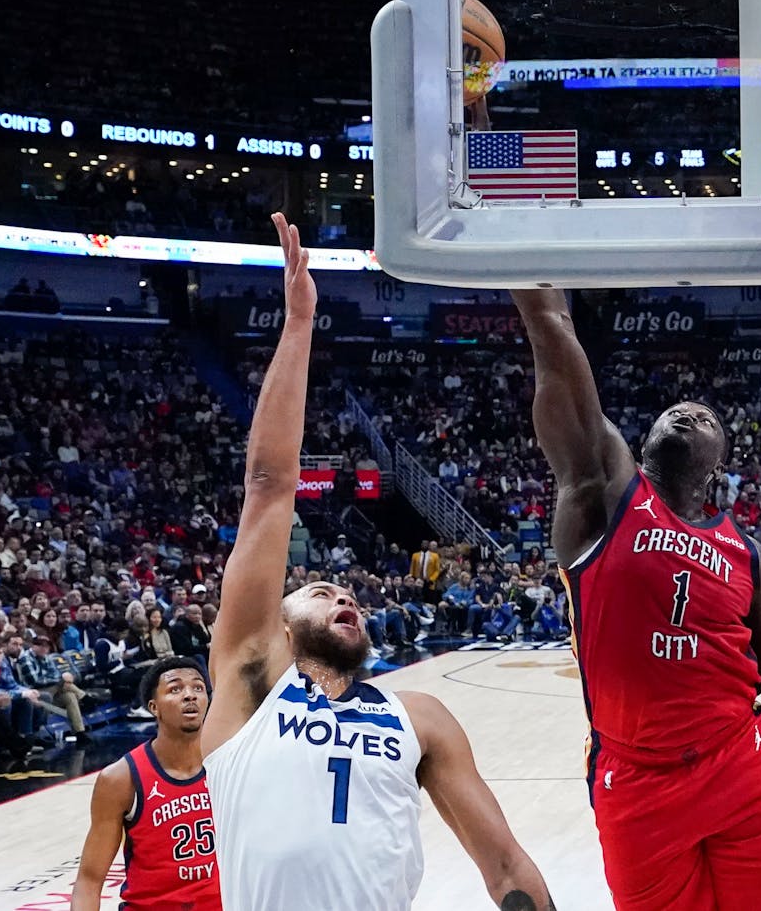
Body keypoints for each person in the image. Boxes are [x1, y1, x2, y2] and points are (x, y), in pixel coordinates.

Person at [201, 215, 555, 911]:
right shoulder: (248, 683)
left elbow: (506, 863)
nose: (341, 597)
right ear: (280, 620)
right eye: (321, 589)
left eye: (344, 592)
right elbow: (271, 484)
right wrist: (299, 324)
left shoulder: (419, 717)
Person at [512, 287, 761, 911]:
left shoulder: (749, 555)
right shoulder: (604, 495)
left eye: (706, 416)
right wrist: (530, 290)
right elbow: (556, 350)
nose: (688, 412)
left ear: (717, 472)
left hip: (740, 761)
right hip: (636, 778)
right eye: (677, 410)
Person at [73, 656, 220, 911]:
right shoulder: (120, 779)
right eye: (175, 689)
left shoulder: (227, 764)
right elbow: (90, 879)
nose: (190, 696)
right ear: (154, 707)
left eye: (198, 687)